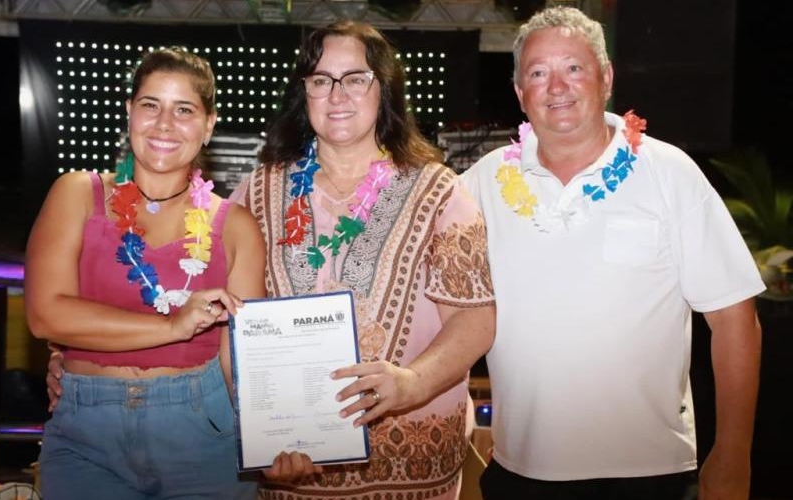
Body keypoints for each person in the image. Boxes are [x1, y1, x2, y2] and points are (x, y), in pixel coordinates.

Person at [461, 6, 764, 500]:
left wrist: (732, 457)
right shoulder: (480, 183)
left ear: (606, 78)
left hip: (652, 473)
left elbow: (735, 319)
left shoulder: (670, 173)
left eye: (573, 68)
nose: (556, 87)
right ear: (520, 93)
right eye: (538, 73)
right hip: (522, 473)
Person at [227, 20, 496, 498]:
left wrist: (413, 383)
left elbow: (475, 321)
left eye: (356, 78)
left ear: (383, 89)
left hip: (415, 468)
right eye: (320, 81)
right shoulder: (257, 191)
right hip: (296, 468)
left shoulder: (439, 191)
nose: (337, 95)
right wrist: (261, 432)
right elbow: (229, 321)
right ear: (303, 92)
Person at [26, 47, 265, 499]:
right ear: (130, 112)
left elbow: (243, 359)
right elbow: (45, 315)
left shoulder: (236, 226)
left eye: (184, 110)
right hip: (86, 437)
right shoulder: (77, 193)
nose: (164, 124)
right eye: (150, 105)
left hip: (203, 436)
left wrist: (275, 437)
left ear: (209, 125)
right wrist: (173, 326)